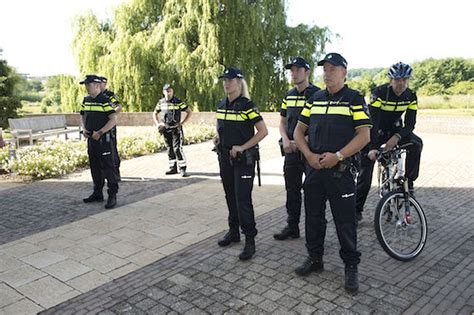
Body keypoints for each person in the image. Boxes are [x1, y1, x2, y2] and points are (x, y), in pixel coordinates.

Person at [293, 53, 372, 293]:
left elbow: (364, 136)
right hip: (315, 170)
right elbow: (298, 132)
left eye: (333, 68)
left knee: (345, 222)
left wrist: (337, 156)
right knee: (313, 218)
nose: (327, 73)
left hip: (341, 171)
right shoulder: (314, 98)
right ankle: (315, 259)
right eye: (325, 69)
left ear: (344, 72)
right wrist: (308, 156)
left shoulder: (354, 99)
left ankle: (351, 266)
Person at [355, 62, 422, 222]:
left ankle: (409, 182)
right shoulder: (379, 93)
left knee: (417, 144)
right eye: (397, 80)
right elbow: (373, 122)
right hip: (375, 131)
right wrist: (373, 148)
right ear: (390, 80)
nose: (401, 83)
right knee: (366, 172)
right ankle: (356, 211)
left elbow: (410, 124)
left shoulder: (411, 95)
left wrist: (397, 137)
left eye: (405, 80)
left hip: (396, 131)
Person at [214, 67, 268, 261]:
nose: (226, 83)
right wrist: (218, 138)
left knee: (242, 198)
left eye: (230, 80)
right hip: (225, 158)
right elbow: (222, 127)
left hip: (243, 160)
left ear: (239, 82)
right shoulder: (222, 104)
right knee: (230, 195)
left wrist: (243, 146)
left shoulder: (247, 105)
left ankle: (250, 240)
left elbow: (262, 131)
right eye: (224, 80)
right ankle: (233, 232)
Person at [274, 57, 320, 241]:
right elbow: (282, 122)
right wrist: (286, 139)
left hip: (310, 152)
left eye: (297, 70)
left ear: (307, 72)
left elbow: (320, 127)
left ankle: (313, 232)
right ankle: (292, 227)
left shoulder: (317, 95)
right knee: (291, 191)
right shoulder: (289, 95)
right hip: (291, 152)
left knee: (312, 193)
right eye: (291, 70)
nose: (293, 73)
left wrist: (299, 142)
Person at [80, 75, 120, 209]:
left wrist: (101, 132)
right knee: (95, 167)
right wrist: (84, 128)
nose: (86, 87)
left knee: (108, 168)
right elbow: (82, 115)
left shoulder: (105, 100)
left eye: (89, 85)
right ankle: (97, 193)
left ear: (97, 85)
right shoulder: (86, 100)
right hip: (92, 139)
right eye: (86, 85)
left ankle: (112, 195)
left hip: (104, 140)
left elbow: (113, 120)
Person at [153, 84, 192, 177]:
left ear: (172, 91)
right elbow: (155, 113)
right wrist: (158, 124)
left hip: (176, 129)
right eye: (166, 91)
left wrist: (182, 123)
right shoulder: (160, 102)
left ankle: (182, 168)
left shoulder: (178, 102)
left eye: (170, 90)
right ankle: (173, 168)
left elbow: (189, 111)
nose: (168, 92)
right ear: (163, 92)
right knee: (169, 149)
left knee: (177, 148)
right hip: (165, 129)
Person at [99, 76, 122, 180]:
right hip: (99, 127)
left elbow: (119, 107)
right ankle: (103, 173)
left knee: (112, 149)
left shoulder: (110, 95)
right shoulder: (96, 96)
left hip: (109, 126)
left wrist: (109, 115)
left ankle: (115, 173)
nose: (99, 85)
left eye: (101, 83)